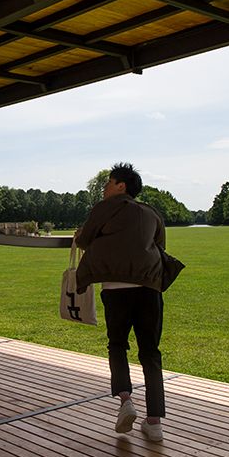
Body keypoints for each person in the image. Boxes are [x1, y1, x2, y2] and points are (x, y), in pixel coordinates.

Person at [75, 162, 166, 442]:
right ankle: (154, 424)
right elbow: (160, 248)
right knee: (150, 351)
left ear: (121, 186)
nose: (104, 187)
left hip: (116, 288)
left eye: (109, 182)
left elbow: (84, 240)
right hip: (150, 288)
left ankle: (125, 402)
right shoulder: (152, 213)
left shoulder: (104, 208)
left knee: (117, 344)